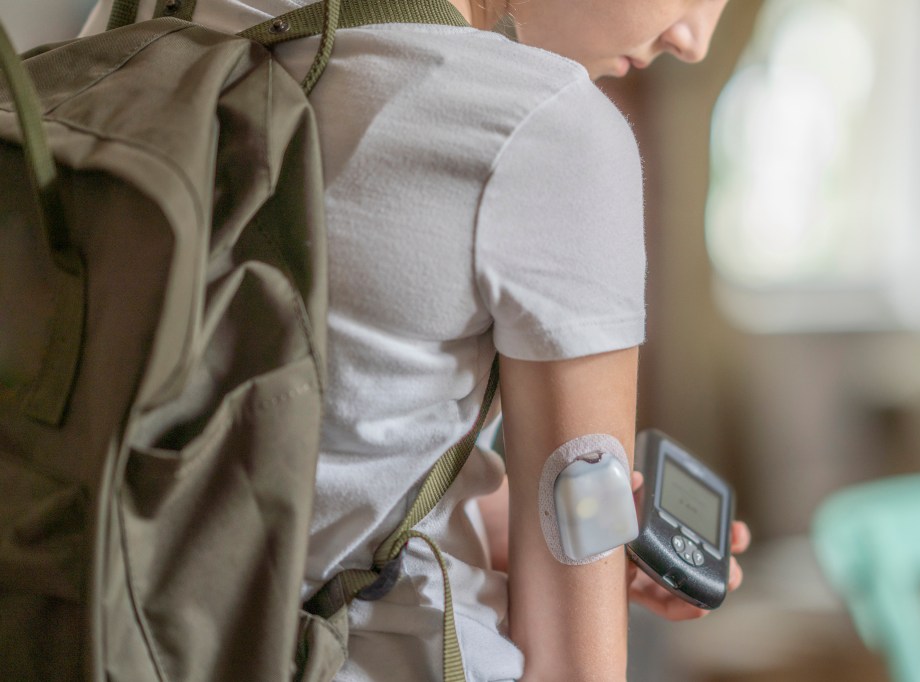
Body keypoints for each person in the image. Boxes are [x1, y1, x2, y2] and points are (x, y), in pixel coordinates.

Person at [79, 0, 749, 680]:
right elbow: (578, 666)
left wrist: (586, 531)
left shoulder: (141, 24)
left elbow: (336, 465)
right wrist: (590, 554)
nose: (694, 39)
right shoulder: (555, 131)